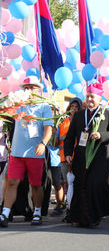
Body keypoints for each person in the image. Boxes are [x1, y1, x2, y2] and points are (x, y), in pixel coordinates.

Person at [0, 76, 53, 227]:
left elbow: (49, 128)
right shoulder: (18, 104)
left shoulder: (44, 106)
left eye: (31, 87)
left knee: (36, 185)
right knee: (12, 182)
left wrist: (43, 143)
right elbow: (5, 109)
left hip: (34, 152)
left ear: (38, 90)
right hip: (17, 152)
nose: (28, 90)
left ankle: (37, 212)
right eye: (26, 87)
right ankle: (5, 212)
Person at [64, 82, 109, 228]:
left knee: (94, 185)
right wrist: (68, 153)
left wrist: (101, 135)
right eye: (87, 96)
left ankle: (94, 216)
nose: (89, 99)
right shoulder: (79, 115)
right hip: (81, 157)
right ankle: (80, 217)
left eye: (92, 96)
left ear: (99, 98)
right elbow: (70, 137)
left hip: (99, 157)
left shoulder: (107, 113)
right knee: (81, 185)